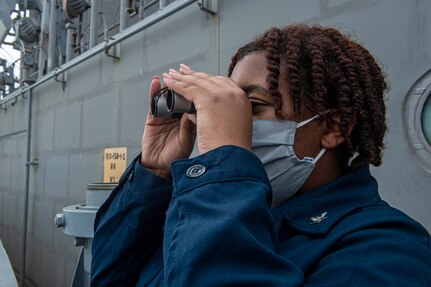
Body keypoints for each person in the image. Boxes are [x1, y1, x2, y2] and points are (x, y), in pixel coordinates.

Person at [90, 25, 431, 286]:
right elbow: (110, 278)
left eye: (251, 107)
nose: (231, 123)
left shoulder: (389, 252)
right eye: (230, 106)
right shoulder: (219, 211)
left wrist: (224, 168)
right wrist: (154, 174)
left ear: (332, 128)